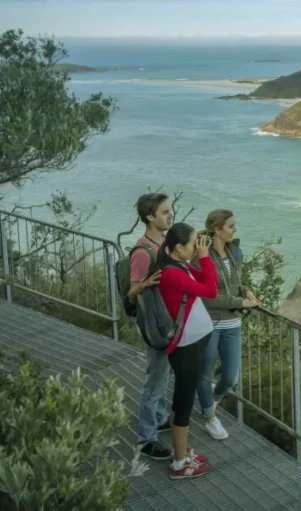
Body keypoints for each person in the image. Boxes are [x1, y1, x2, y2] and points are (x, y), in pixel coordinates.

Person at [158, 223, 217, 479]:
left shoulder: (180, 266)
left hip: (192, 344)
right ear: (179, 247)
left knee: (182, 400)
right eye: (193, 243)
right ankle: (180, 464)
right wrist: (204, 257)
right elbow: (212, 291)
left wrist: (202, 260)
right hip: (185, 347)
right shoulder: (172, 273)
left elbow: (206, 280)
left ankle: (181, 450)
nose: (197, 247)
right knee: (183, 404)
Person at [198, 209, 259, 440]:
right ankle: (210, 417)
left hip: (232, 322)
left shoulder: (235, 252)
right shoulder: (201, 256)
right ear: (218, 230)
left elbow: (236, 283)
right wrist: (240, 302)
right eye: (231, 226)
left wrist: (247, 291)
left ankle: (209, 400)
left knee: (231, 377)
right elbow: (207, 296)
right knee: (204, 374)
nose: (235, 230)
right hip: (209, 322)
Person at [129, 193, 172, 461]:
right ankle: (147, 439)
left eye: (170, 211)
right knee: (154, 379)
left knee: (163, 374)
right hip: (153, 323)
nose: (170, 215)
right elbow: (131, 292)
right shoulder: (143, 251)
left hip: (165, 319)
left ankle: (158, 416)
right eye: (165, 212)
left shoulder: (164, 244)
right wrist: (143, 285)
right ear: (150, 217)